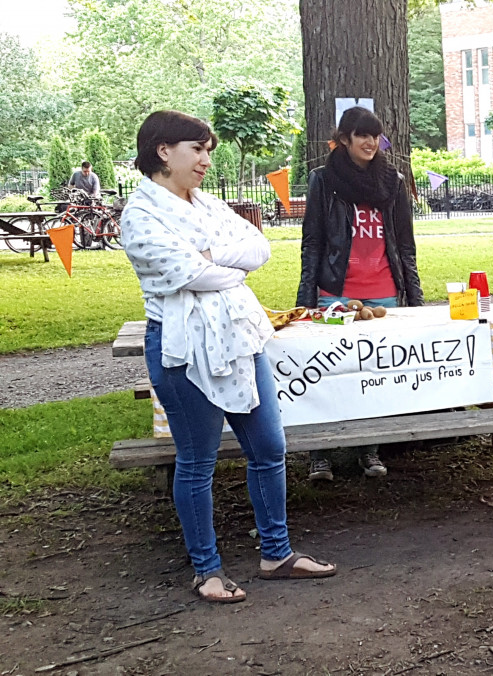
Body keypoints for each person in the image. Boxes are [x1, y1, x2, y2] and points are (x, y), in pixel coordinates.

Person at [122, 111, 336, 603]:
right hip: (182, 347)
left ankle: (276, 554)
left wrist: (211, 256)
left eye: (208, 151)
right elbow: (192, 275)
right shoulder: (141, 214)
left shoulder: (207, 203)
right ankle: (207, 570)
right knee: (197, 461)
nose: (205, 160)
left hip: (240, 337)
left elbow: (258, 248)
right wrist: (223, 264)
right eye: (197, 149)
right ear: (163, 151)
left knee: (269, 448)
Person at [297, 106, 423, 481]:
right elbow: (313, 242)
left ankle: (369, 450)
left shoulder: (393, 181)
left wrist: (415, 299)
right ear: (344, 139)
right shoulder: (323, 180)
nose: (370, 142)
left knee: (374, 375)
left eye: (375, 136)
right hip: (335, 293)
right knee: (326, 373)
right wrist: (306, 299)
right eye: (362, 135)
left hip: (383, 293)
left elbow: (405, 245)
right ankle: (320, 453)